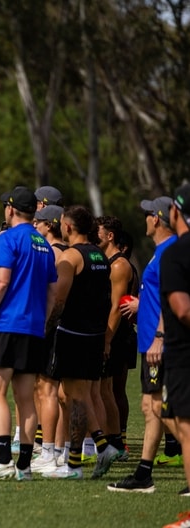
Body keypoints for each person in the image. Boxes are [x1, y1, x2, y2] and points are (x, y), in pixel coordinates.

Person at [0, 187, 57, 481]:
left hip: (7, 324)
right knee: (25, 397)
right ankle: (24, 466)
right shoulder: (44, 245)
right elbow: (51, 294)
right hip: (34, 328)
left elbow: (0, 281)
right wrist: (41, 323)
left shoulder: (7, 238)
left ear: (10, 210)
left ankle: (2, 459)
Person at [43, 205, 120, 480]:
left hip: (73, 335)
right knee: (75, 395)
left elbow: (59, 299)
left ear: (68, 227)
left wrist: (44, 329)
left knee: (74, 398)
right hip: (94, 335)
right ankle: (98, 445)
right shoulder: (99, 255)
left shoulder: (71, 256)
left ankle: (75, 466)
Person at [108, 196, 179, 492]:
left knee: (160, 409)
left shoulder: (169, 252)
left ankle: (145, 473)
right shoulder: (160, 251)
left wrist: (160, 337)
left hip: (158, 343)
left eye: (149, 214)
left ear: (157, 219)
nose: (145, 218)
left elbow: (172, 298)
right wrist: (142, 304)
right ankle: (143, 473)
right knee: (151, 407)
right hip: (150, 340)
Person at [95, 215, 139, 461]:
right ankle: (113, 444)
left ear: (110, 236)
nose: (93, 235)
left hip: (118, 336)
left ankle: (115, 444)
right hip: (113, 335)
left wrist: (107, 339)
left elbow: (115, 308)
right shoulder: (107, 262)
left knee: (108, 391)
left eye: (97, 232)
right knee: (105, 390)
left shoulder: (119, 265)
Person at [159, 185, 190, 523]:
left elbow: (181, 309)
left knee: (186, 426)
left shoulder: (175, 254)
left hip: (183, 353)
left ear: (175, 213)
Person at [29, 204, 68, 473]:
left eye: (38, 222)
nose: (34, 226)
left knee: (48, 390)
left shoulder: (54, 252)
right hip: (61, 329)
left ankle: (50, 453)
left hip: (54, 329)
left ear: (49, 224)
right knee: (57, 393)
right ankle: (59, 452)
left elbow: (56, 297)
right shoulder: (60, 251)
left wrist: (44, 326)